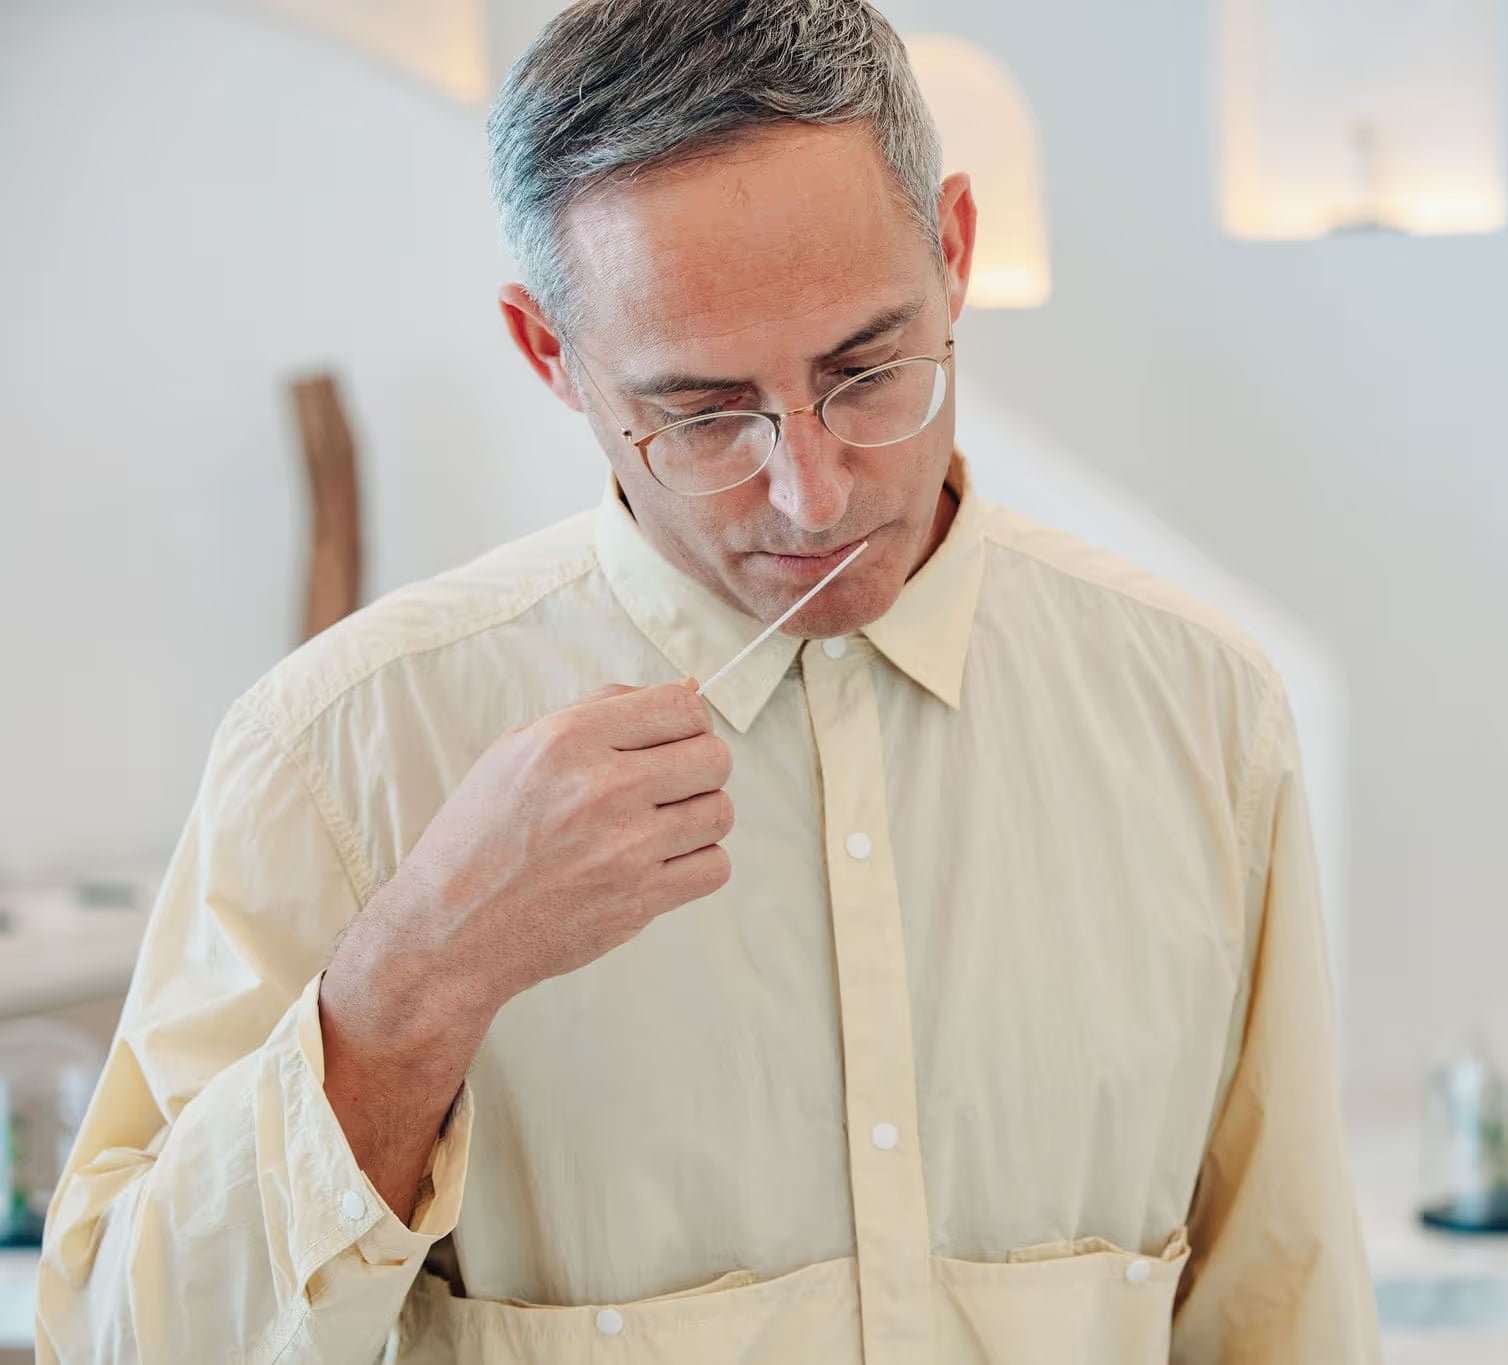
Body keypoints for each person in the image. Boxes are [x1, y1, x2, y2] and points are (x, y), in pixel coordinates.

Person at [35, 2, 1377, 1360]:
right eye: (704, 413)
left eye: (866, 369)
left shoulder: (1200, 709)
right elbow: (123, 1345)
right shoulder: (337, 751)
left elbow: (1283, 1310)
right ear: (549, 354)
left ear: (956, 251)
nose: (813, 489)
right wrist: (414, 979)